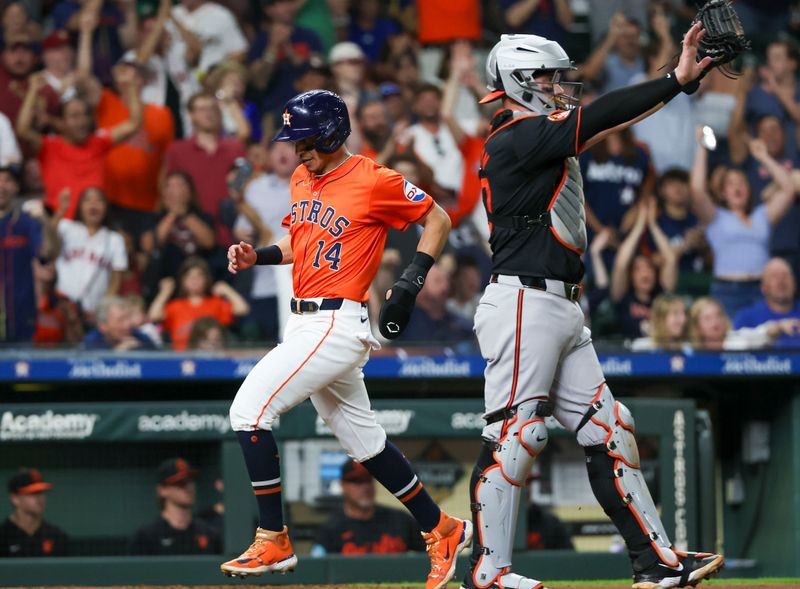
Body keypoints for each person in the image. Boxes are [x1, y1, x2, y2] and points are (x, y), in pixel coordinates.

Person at [463, 27, 723, 589]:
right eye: (549, 78)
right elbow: (602, 115)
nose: (559, 87)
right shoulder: (515, 135)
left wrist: (672, 85)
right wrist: (676, 79)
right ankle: (487, 574)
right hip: (521, 302)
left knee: (611, 429)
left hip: (557, 305)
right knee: (515, 436)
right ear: (520, 82)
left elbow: (609, 120)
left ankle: (655, 564)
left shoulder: (536, 135)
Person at [223, 90, 471, 587]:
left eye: (305, 139)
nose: (298, 149)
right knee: (365, 441)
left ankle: (273, 537)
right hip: (304, 320)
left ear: (333, 132)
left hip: (336, 322)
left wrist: (410, 281)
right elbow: (302, 239)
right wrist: (261, 257)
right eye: (293, 140)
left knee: (249, 412)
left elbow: (437, 219)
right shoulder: (301, 177)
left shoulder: (372, 178)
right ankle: (442, 527)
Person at [16, 68, 143, 220]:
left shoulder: (98, 142)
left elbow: (134, 124)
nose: (82, 122)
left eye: (84, 115)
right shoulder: (49, 146)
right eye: (75, 116)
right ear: (62, 122)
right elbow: (23, 129)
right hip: (60, 224)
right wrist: (33, 91)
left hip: (94, 225)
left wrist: (132, 88)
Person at [690, 134, 795, 317]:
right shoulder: (716, 217)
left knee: (765, 343)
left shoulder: (761, 215)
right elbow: (697, 191)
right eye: (731, 184)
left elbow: (788, 189)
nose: (737, 187)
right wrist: (701, 148)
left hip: (762, 290)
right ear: (723, 193)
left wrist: (763, 157)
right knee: (730, 344)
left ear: (749, 189)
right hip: (727, 290)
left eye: (742, 183)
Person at [311, 459, 425, 556]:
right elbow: (319, 568)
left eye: (368, 480)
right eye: (357, 482)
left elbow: (431, 554)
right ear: (342, 485)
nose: (365, 487)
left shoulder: (402, 520)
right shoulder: (330, 529)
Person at [53, 187, 128, 319]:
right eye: (87, 200)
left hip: (93, 313)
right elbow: (46, 238)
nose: (93, 204)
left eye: (99, 201)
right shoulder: (66, 227)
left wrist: (102, 312)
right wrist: (61, 210)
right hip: (61, 306)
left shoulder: (115, 239)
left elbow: (116, 281)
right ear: (80, 206)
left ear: (106, 207)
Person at [148, 256, 249, 350]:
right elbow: (153, 316)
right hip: (182, 361)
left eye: (199, 276)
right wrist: (164, 293)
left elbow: (242, 309)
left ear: (206, 279)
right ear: (182, 281)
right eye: (189, 276)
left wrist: (227, 290)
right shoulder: (175, 306)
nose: (194, 280)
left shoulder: (215, 302)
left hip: (211, 357)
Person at [0, 166, 53, 342]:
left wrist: (44, 221)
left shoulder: (27, 222)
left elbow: (45, 254)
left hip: (23, 312)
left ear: (16, 187)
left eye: (7, 180)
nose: (2, 186)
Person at [129, 458, 221, 555]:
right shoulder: (146, 538)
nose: (188, 487)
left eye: (190, 481)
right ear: (162, 490)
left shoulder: (209, 534)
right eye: (180, 483)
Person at [398, 262, 474, 344]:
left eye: (447, 280)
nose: (446, 287)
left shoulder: (460, 326)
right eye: (438, 281)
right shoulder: (403, 323)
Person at [0, 468, 69, 557]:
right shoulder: (3, 536)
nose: (39, 498)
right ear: (15, 499)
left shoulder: (57, 536)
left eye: (41, 492)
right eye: (32, 493)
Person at [688, 296, 799, 351]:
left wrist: (780, 326)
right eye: (707, 318)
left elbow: (763, 333)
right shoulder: (688, 350)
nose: (715, 322)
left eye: (718, 315)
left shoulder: (740, 339)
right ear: (697, 327)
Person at [733, 257, 800, 348]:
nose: (781, 281)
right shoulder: (747, 317)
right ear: (763, 287)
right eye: (774, 276)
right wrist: (771, 331)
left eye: (785, 275)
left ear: (795, 283)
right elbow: (732, 347)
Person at [82, 295, 159, 351]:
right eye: (120, 320)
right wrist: (118, 353)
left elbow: (158, 363)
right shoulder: (92, 342)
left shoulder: (140, 337)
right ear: (103, 326)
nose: (127, 324)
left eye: (128, 318)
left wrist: (138, 349)